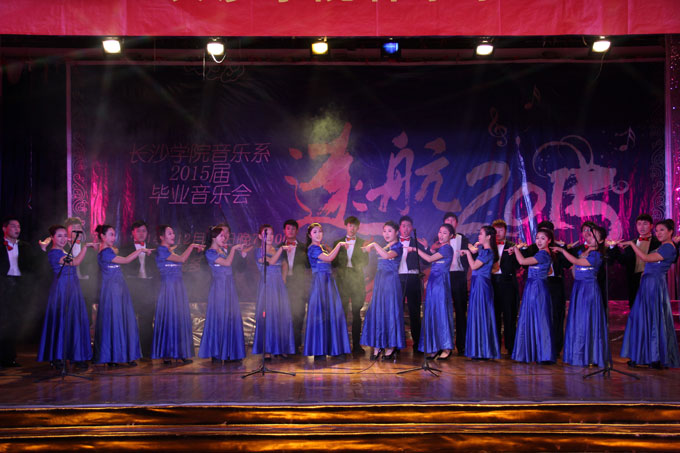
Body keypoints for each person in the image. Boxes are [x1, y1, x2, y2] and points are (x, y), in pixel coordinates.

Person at [620, 219, 680, 369]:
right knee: (642, 318)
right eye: (657, 230)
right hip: (648, 284)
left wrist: (632, 244)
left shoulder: (669, 247)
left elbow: (646, 258)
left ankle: (655, 357)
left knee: (652, 319)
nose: (658, 233)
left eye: (662, 230)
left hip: (654, 286)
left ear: (670, 232)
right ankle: (642, 355)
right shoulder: (663, 246)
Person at [552, 223, 609, 368]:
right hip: (578, 288)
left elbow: (576, 261)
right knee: (577, 320)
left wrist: (562, 250)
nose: (589, 237)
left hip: (588, 290)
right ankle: (577, 354)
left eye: (593, 236)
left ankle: (590, 355)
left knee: (587, 320)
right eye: (588, 234)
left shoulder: (597, 255)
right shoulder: (583, 251)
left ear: (601, 240)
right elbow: (575, 268)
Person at [93, 224, 151, 367]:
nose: (113, 237)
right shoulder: (105, 252)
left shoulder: (109, 250)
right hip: (111, 291)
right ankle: (113, 356)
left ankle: (120, 356)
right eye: (110, 234)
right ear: (102, 236)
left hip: (119, 289)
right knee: (114, 322)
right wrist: (141, 250)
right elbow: (125, 260)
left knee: (121, 321)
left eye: (114, 234)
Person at [37, 225, 92, 370]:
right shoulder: (54, 253)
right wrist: (85, 247)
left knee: (74, 321)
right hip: (62, 289)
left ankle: (76, 356)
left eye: (64, 235)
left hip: (73, 287)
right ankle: (58, 356)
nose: (63, 239)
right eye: (59, 236)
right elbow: (75, 262)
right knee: (61, 321)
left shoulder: (64, 251)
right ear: (52, 238)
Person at [152, 225, 204, 364]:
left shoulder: (170, 251)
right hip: (168, 289)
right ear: (161, 237)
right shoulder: (161, 250)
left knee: (179, 319)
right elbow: (181, 259)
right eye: (169, 233)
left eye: (173, 233)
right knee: (169, 319)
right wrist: (191, 246)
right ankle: (167, 354)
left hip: (178, 288)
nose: (173, 235)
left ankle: (180, 353)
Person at [198, 224, 249, 363]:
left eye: (225, 235)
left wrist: (240, 253)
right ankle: (217, 352)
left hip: (229, 286)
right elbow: (227, 263)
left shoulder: (222, 250)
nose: (224, 238)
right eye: (221, 236)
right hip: (219, 288)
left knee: (231, 317)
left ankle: (230, 352)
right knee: (219, 317)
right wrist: (233, 249)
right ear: (214, 237)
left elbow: (234, 264)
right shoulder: (210, 252)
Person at [408, 224, 456, 360]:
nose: (441, 235)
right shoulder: (441, 248)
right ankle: (435, 346)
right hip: (433, 284)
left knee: (441, 313)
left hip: (440, 284)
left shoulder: (447, 248)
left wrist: (415, 249)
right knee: (433, 313)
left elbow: (429, 259)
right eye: (440, 232)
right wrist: (424, 248)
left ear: (451, 236)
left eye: (445, 233)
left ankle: (446, 347)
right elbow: (434, 261)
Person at [304, 223, 351, 358]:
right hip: (320, 283)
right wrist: (339, 245)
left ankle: (334, 349)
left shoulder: (321, 247)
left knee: (332, 313)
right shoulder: (313, 248)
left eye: (320, 231)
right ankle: (320, 351)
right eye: (315, 232)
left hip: (328, 282)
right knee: (320, 314)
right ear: (310, 235)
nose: (318, 234)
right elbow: (329, 258)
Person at [359, 221, 404, 361]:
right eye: (384, 231)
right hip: (380, 283)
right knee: (378, 312)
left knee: (390, 312)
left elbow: (387, 256)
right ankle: (378, 346)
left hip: (390, 283)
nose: (386, 234)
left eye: (390, 231)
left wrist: (373, 245)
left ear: (396, 232)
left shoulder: (398, 246)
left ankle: (391, 347)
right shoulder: (385, 246)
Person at [522, 220, 569, 356]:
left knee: (556, 316)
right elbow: (523, 263)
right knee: (539, 317)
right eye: (539, 236)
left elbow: (567, 264)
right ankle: (538, 348)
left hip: (555, 284)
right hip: (539, 285)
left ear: (550, 235)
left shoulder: (559, 248)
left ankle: (555, 348)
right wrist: (521, 250)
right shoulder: (532, 248)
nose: (540, 240)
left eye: (545, 235)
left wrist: (563, 248)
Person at [511, 228, 555, 364]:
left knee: (538, 318)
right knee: (535, 317)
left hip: (537, 288)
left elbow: (522, 262)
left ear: (549, 240)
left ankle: (542, 354)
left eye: (543, 238)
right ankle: (536, 353)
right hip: (535, 286)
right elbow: (549, 271)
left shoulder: (543, 254)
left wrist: (515, 249)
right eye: (537, 238)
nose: (539, 241)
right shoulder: (543, 254)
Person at [252, 224, 296, 359]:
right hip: (267, 285)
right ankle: (268, 349)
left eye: (271, 233)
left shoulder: (276, 249)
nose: (270, 236)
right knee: (268, 315)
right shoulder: (259, 251)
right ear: (260, 236)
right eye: (266, 234)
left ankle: (281, 347)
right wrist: (281, 249)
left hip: (278, 286)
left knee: (282, 314)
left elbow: (284, 264)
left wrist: (283, 278)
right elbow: (270, 262)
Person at [460, 225, 501, 360]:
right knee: (479, 314)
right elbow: (476, 250)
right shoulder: (485, 251)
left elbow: (474, 266)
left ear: (488, 237)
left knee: (481, 314)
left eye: (481, 234)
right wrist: (475, 247)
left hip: (481, 285)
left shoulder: (487, 252)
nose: (479, 236)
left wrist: (467, 253)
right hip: (479, 283)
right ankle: (480, 350)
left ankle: (482, 350)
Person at [119, 220, 158, 358]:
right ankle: (130, 351)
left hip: (149, 286)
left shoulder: (154, 249)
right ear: (132, 233)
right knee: (130, 320)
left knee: (147, 320)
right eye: (138, 231)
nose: (141, 233)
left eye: (144, 231)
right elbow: (123, 268)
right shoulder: (125, 248)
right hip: (133, 286)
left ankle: (147, 352)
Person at [0, 216, 33, 367]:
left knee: (14, 323)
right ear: (4, 228)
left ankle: (10, 357)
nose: (17, 229)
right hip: (3, 284)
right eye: (13, 226)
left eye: (18, 226)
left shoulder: (25, 246)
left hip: (18, 285)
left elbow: (32, 266)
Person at [333, 216, 369, 352]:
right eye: (350, 225)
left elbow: (365, 263)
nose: (352, 228)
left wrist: (365, 251)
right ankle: (341, 345)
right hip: (342, 281)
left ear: (358, 228)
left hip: (357, 282)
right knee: (342, 313)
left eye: (354, 226)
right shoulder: (338, 242)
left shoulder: (362, 243)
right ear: (346, 226)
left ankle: (356, 346)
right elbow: (334, 264)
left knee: (356, 314)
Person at [611, 214, 660, 308]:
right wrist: (613, 247)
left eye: (645, 224)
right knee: (635, 307)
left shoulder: (658, 242)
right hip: (634, 280)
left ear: (651, 226)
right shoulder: (631, 243)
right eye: (639, 224)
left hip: (653, 279)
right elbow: (623, 261)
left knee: (652, 307)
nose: (642, 227)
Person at [490, 219, 521, 356]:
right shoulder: (488, 246)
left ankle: (510, 347)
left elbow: (519, 265)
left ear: (506, 231)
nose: (498, 233)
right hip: (492, 283)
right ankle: (494, 346)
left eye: (501, 230)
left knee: (509, 316)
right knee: (494, 316)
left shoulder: (512, 246)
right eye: (495, 230)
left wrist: (516, 253)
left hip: (508, 284)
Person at [397, 216, 427, 354]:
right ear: (399, 228)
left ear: (412, 228)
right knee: (397, 310)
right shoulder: (393, 243)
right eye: (403, 225)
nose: (406, 228)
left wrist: (425, 247)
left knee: (414, 311)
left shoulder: (416, 243)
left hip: (413, 278)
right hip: (397, 278)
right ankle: (396, 342)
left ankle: (417, 343)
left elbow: (427, 261)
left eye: (408, 226)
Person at [280, 219, 311, 354]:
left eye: (293, 229)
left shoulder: (304, 248)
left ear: (297, 231)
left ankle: (296, 345)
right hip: (283, 284)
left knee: (298, 314)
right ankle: (284, 344)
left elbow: (309, 265)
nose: (291, 231)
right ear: (284, 231)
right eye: (288, 228)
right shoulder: (278, 248)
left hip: (299, 285)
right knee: (284, 314)